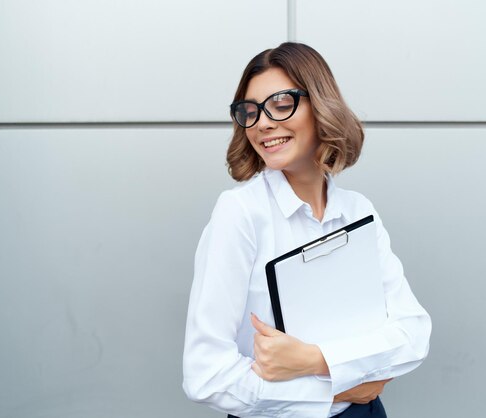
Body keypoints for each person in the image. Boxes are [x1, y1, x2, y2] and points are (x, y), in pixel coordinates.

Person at [182, 42, 431, 418]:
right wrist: (339, 389)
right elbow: (206, 374)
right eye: (250, 111)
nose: (263, 122)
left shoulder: (357, 211)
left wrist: (312, 360)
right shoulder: (241, 213)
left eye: (281, 104)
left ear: (321, 105)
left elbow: (411, 335)